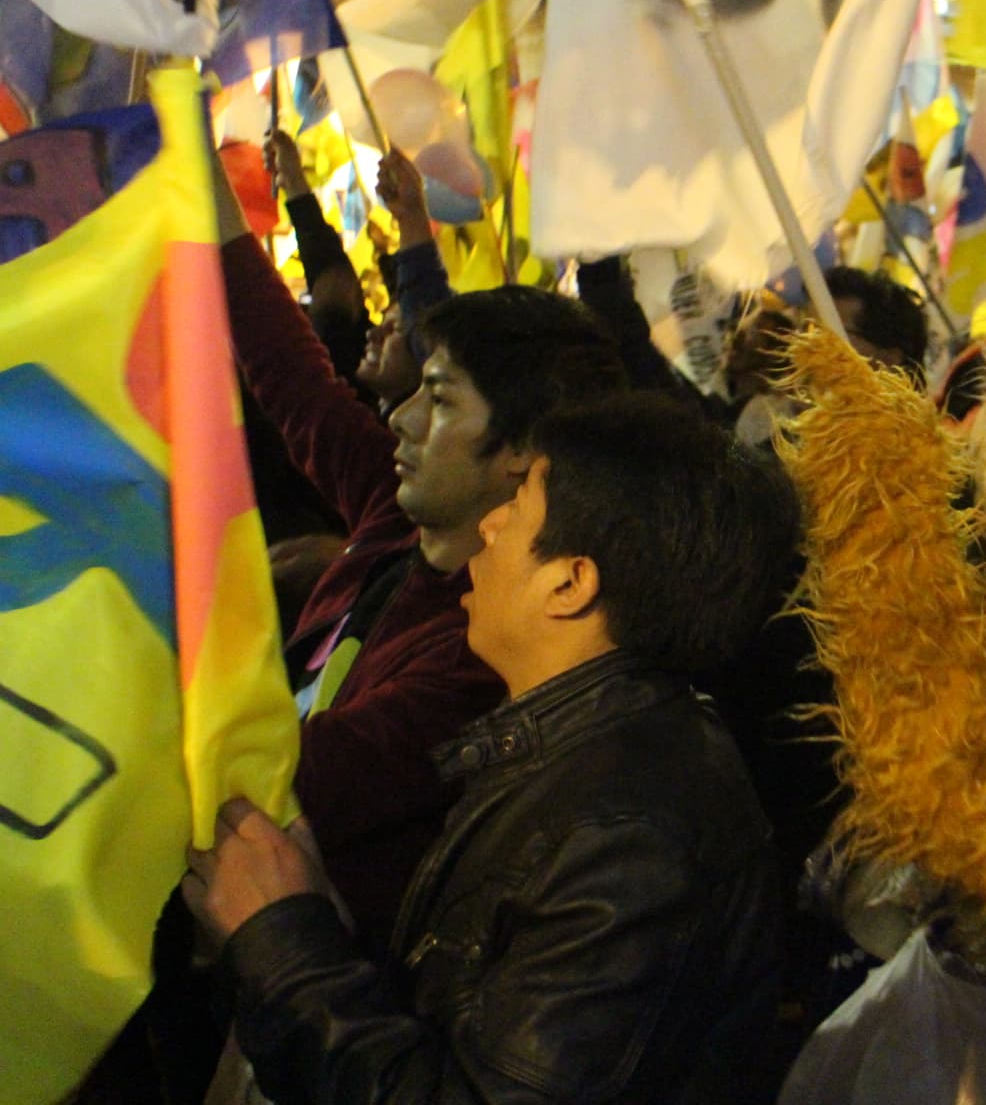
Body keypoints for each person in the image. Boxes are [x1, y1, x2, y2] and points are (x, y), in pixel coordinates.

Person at [181, 395, 800, 1104]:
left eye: (518, 504)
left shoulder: (629, 840)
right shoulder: (587, 754)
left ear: (570, 582)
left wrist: (284, 946)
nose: (489, 524)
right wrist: (327, 927)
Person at [212, 155, 628, 952]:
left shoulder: (494, 656)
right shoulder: (397, 520)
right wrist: (199, 177)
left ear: (520, 452)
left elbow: (293, 776)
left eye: (438, 401)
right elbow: (287, 369)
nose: (398, 420)